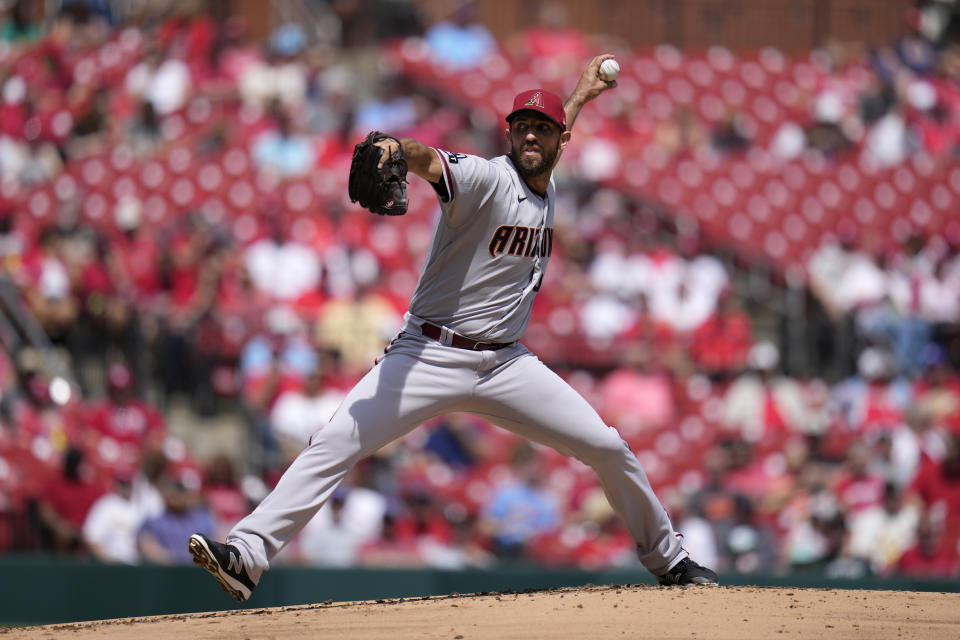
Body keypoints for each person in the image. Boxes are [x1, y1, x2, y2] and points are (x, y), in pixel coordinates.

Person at [189, 54, 718, 601]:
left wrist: (581, 94)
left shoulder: (547, 178)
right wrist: (399, 149)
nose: (529, 136)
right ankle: (247, 554)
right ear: (508, 134)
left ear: (561, 142)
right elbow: (431, 161)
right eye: (521, 127)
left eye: (542, 129)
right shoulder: (489, 178)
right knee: (334, 441)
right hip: (429, 353)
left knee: (609, 448)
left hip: (508, 364)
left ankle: (670, 561)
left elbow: (556, 139)